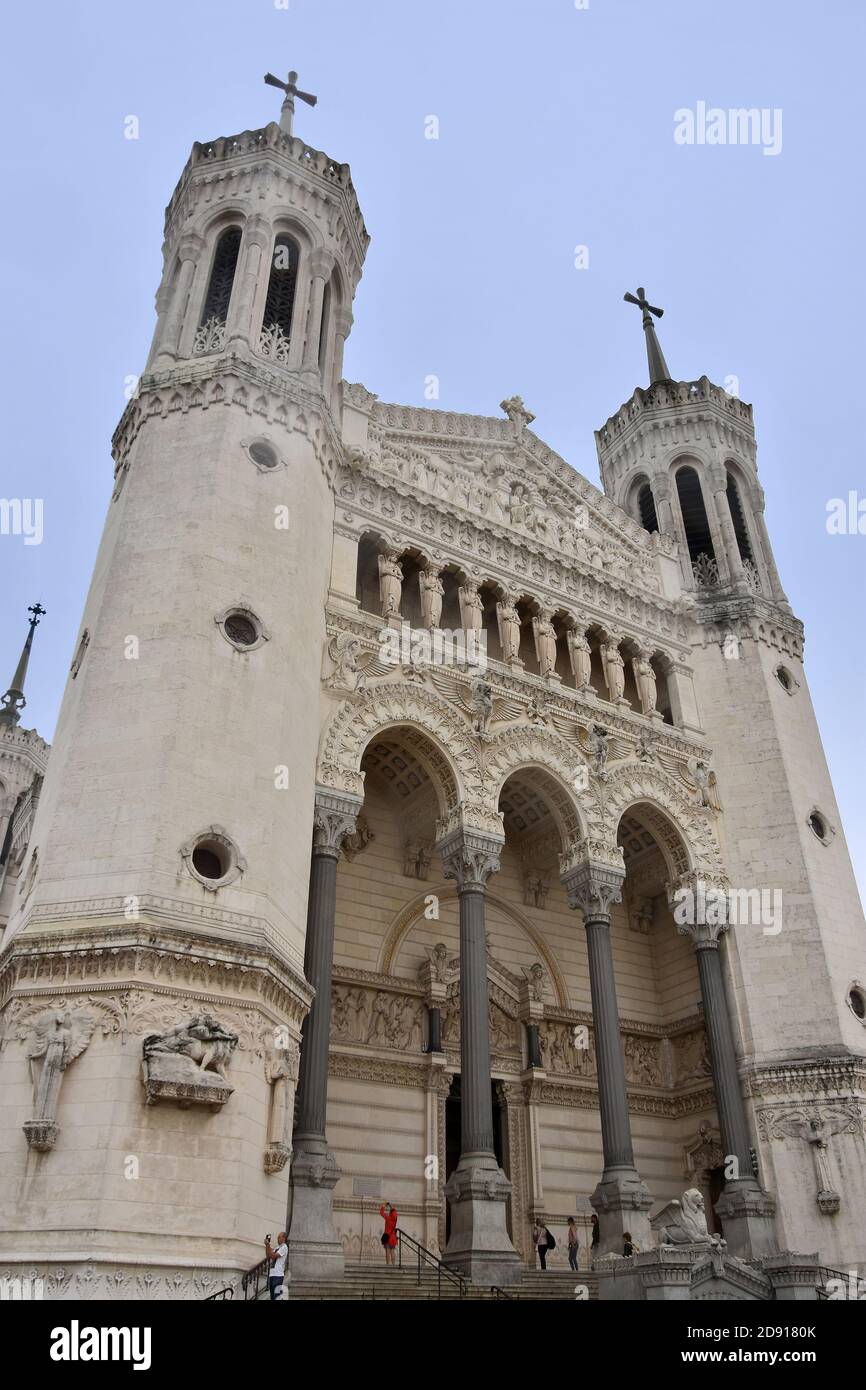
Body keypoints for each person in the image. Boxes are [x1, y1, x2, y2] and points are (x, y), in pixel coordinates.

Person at [264, 1231, 288, 1300]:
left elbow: (274, 1256)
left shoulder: (284, 1247)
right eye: (278, 1237)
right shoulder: (277, 1247)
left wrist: (268, 1247)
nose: (278, 1239)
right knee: (272, 1297)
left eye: (279, 1237)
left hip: (278, 1275)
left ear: (283, 1238)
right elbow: (268, 1255)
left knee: (276, 1296)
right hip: (272, 1274)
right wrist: (267, 1245)